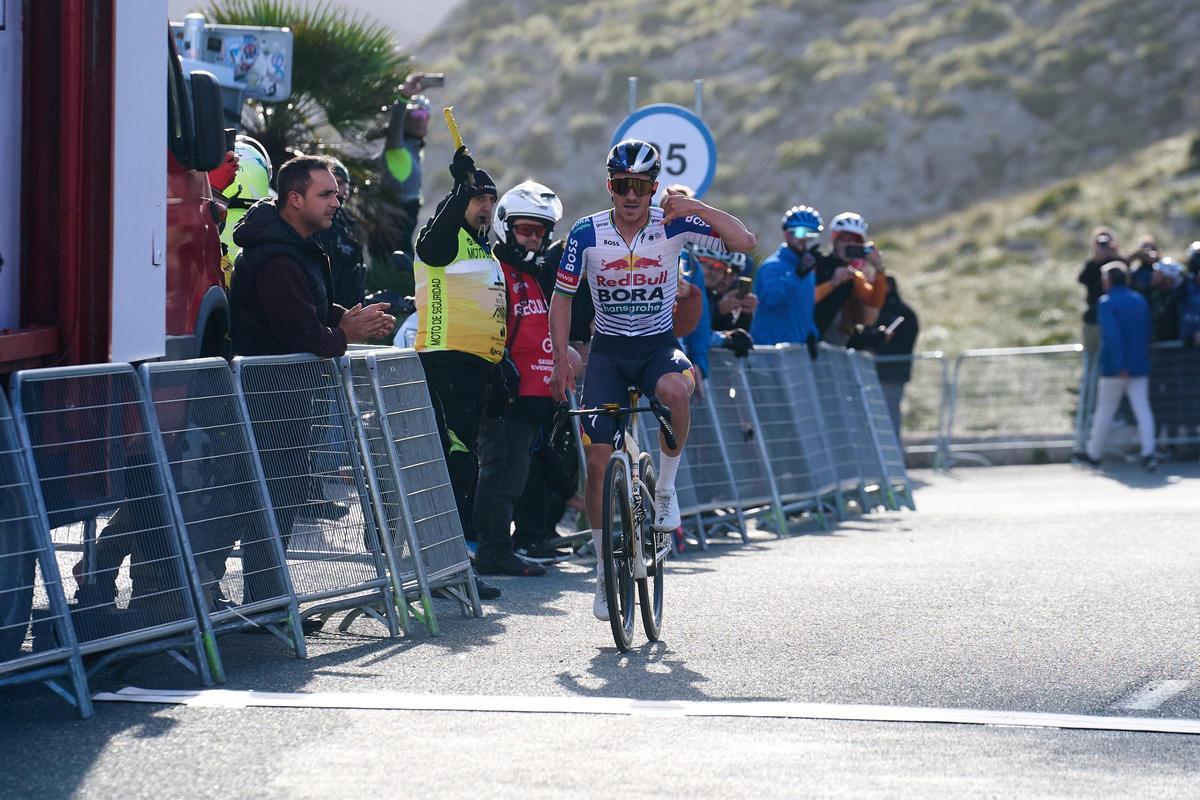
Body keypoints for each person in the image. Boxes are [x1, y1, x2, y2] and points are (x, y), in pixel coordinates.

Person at [549, 139, 756, 621]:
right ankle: (604, 572)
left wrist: (695, 206)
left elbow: (744, 243)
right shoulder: (587, 233)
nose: (631, 195)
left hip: (658, 347)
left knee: (674, 390)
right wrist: (561, 357)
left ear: (653, 188)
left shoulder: (674, 224)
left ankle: (664, 489)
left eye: (641, 186)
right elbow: (562, 298)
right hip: (608, 355)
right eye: (622, 185)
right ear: (610, 186)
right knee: (598, 464)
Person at [229, 156, 394, 601]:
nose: (336, 202)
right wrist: (346, 333)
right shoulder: (277, 257)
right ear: (294, 198)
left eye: (338, 194)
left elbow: (311, 312)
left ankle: (263, 601)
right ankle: (255, 601)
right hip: (268, 400)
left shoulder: (298, 247)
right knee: (258, 503)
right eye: (326, 194)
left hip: (288, 398)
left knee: (278, 500)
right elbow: (300, 333)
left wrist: (346, 318)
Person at [412, 146, 506, 599]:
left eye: (491, 198)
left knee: (464, 468)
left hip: (473, 372)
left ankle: (450, 565)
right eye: (478, 198)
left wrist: (499, 363)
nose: (486, 205)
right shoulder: (444, 235)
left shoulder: (482, 247)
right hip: (442, 365)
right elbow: (429, 247)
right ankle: (438, 566)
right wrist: (457, 191)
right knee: (453, 465)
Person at [471, 180, 568, 578]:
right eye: (526, 229)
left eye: (540, 231)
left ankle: (509, 544)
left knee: (519, 477)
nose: (533, 238)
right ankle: (493, 550)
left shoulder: (535, 275)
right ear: (506, 227)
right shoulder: (495, 269)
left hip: (536, 395)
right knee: (500, 475)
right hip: (505, 395)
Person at [1078, 263, 1157, 471]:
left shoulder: (1107, 303)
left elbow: (1113, 337)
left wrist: (1121, 364)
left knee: (1105, 411)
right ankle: (1148, 452)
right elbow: (1147, 330)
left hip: (1115, 368)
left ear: (1109, 281)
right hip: (1139, 364)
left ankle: (1094, 454)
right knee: (1143, 409)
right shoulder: (1139, 300)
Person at [847, 276, 920, 436]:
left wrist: (878, 352)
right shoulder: (874, 311)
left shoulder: (903, 314)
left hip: (892, 374)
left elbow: (903, 343)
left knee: (889, 418)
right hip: (870, 374)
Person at [750, 205, 824, 352]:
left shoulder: (807, 271)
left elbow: (804, 309)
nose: (805, 238)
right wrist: (797, 275)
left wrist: (812, 334)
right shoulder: (771, 267)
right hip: (769, 353)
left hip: (795, 355)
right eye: (800, 232)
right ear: (786, 234)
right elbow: (770, 299)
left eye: (811, 234)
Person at [814, 212, 888, 344]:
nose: (851, 245)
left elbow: (872, 308)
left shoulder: (854, 277)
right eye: (846, 239)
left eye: (856, 241)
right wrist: (832, 283)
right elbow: (805, 299)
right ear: (835, 239)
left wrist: (879, 270)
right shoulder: (818, 264)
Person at [381, 74, 433, 257]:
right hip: (392, 222)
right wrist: (404, 97)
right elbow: (394, 126)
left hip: (407, 221)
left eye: (425, 115)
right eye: (416, 114)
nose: (420, 119)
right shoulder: (396, 146)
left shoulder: (415, 150)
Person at [315, 158, 366, 309]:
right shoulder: (311, 223)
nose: (336, 189)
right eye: (333, 182)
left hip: (346, 312)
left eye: (341, 183)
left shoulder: (350, 227)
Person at [1078, 227, 1121, 360]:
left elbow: (1127, 277)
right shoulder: (1091, 264)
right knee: (1091, 356)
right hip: (1093, 318)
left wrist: (1115, 256)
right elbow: (1082, 279)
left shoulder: (1118, 262)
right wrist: (1097, 260)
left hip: (1116, 315)